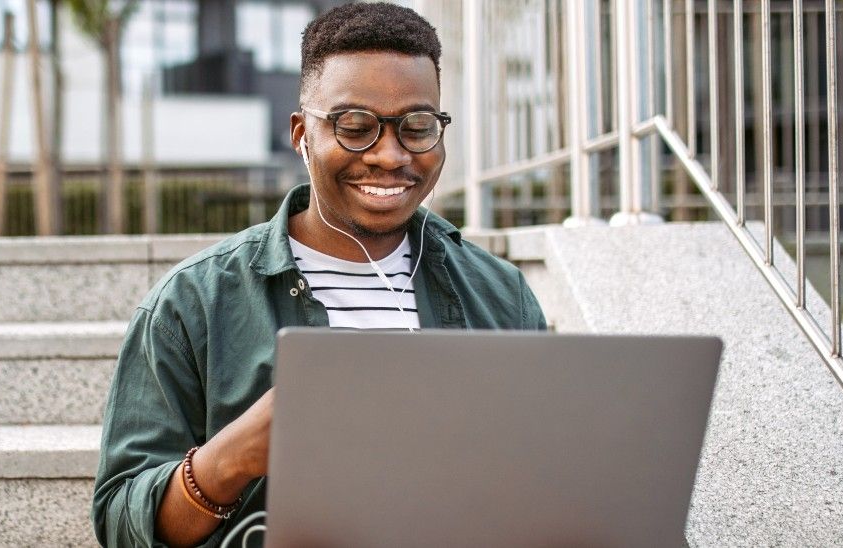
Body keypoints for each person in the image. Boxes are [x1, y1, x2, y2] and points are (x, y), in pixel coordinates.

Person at [91, 3, 548, 546]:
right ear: (301, 134)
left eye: (417, 127)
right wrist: (231, 458)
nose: (389, 154)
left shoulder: (502, 295)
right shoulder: (193, 304)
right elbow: (121, 519)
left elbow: (550, 478)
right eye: (355, 127)